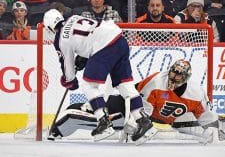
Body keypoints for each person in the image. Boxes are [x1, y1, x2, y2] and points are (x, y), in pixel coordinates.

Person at [48, 59, 225, 144]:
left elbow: (207, 117)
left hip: (161, 117)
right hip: (128, 105)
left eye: (179, 75)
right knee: (109, 121)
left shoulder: (196, 94)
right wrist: (132, 127)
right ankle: (61, 125)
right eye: (173, 72)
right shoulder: (157, 82)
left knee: (206, 132)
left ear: (186, 77)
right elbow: (139, 112)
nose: (173, 77)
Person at [43, 9, 157, 145]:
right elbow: (88, 36)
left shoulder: (60, 39)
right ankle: (143, 121)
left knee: (88, 85)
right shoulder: (74, 17)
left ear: (49, 27)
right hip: (119, 39)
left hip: (104, 47)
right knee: (124, 84)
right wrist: (84, 57)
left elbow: (67, 66)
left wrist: (69, 81)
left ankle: (104, 122)